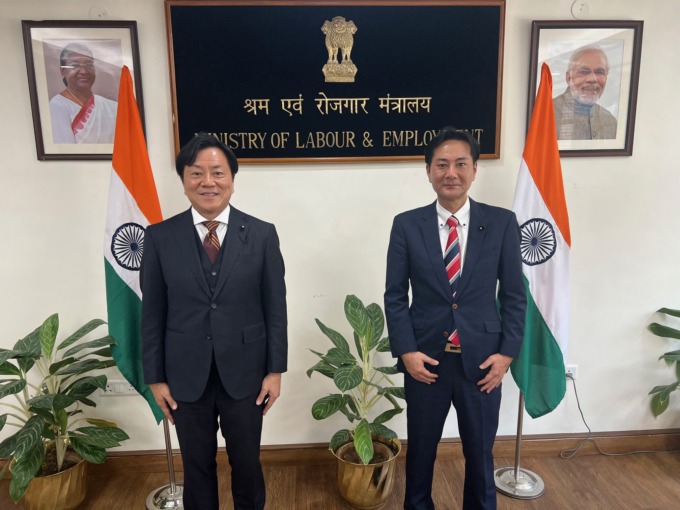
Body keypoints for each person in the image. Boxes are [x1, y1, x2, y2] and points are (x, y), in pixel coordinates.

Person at [141, 133, 287, 510]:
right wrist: (155, 378)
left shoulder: (262, 234)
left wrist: (275, 371)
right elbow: (152, 314)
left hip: (246, 373)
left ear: (232, 180)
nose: (208, 182)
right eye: (197, 173)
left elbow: (275, 308)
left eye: (218, 172)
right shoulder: (158, 238)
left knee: (247, 464)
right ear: (184, 181)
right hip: (185, 375)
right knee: (197, 467)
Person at [384, 127, 526, 510]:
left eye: (460, 164)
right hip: (425, 362)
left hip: (482, 362)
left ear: (474, 170)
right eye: (442, 164)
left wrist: (506, 355)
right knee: (421, 453)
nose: (451, 173)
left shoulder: (501, 223)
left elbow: (515, 296)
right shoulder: (406, 225)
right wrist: (406, 352)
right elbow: (395, 296)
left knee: (480, 455)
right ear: (428, 171)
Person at [48, 42, 117, 144]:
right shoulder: (58, 105)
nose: (84, 71)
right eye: (75, 66)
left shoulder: (113, 107)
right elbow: (66, 150)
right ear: (63, 71)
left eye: (89, 65)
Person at [553, 45, 618, 140]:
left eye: (599, 72)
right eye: (583, 72)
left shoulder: (610, 122)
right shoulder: (545, 114)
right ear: (568, 78)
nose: (592, 79)